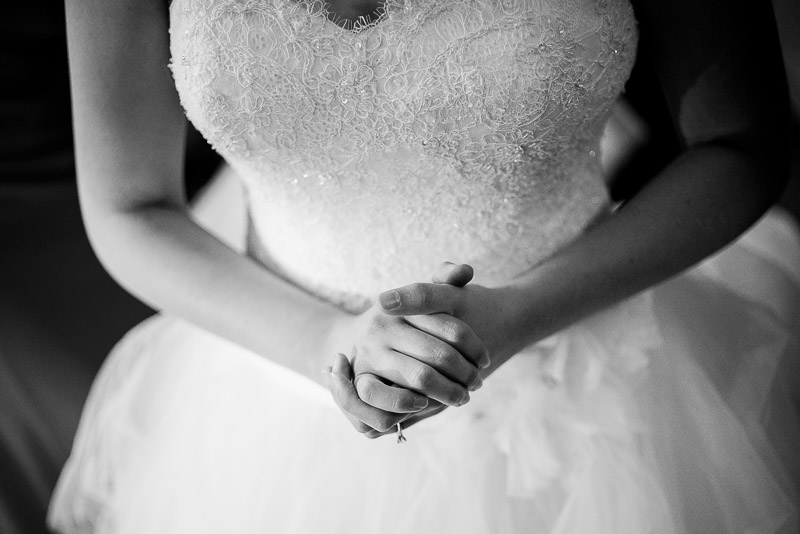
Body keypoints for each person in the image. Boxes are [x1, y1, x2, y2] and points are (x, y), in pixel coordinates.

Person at [49, 0, 800, 532]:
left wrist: (513, 316)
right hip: (279, 379)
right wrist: (324, 344)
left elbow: (742, 144)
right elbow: (130, 207)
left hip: (588, 365)